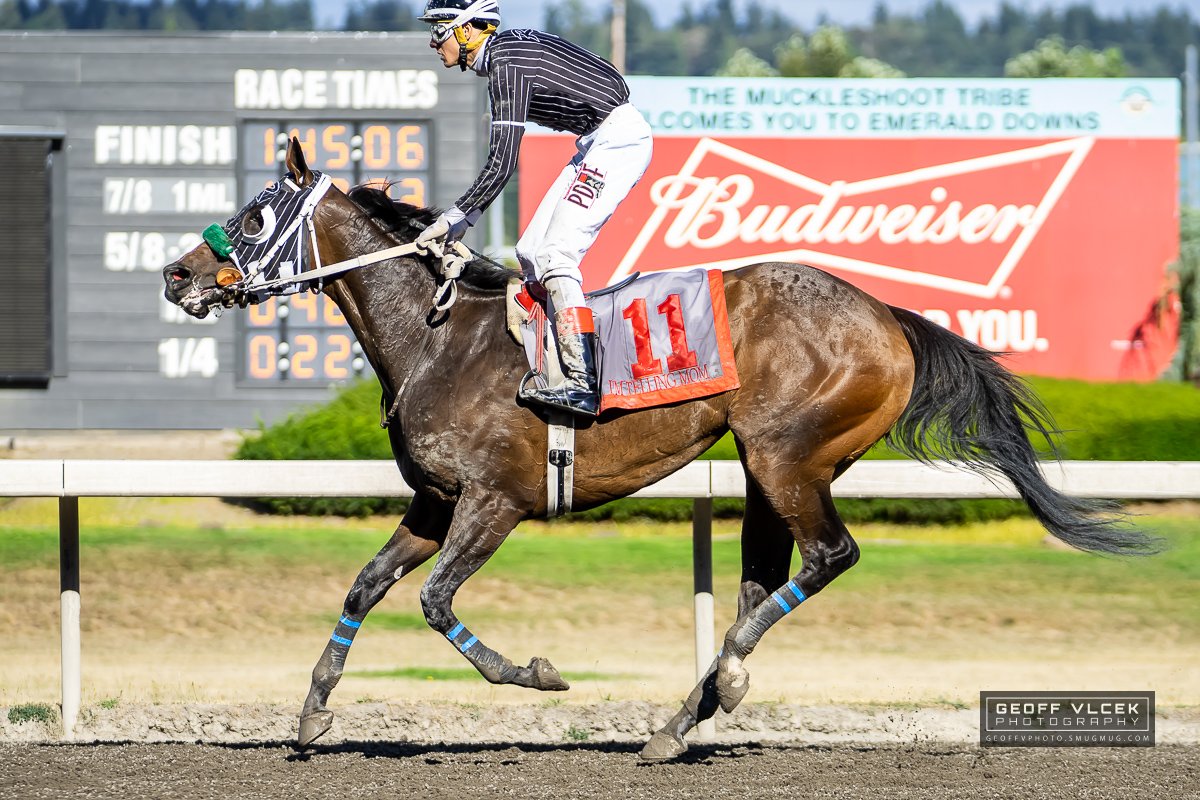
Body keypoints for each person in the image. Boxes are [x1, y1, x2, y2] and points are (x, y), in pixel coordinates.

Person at [414, 0, 653, 417]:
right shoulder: (506, 53)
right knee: (528, 251)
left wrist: (457, 217)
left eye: (440, 30)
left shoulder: (505, 63)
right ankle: (549, 357)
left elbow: (503, 162)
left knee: (555, 253)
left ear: (469, 31)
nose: (434, 42)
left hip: (617, 140)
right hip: (599, 137)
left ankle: (582, 381)